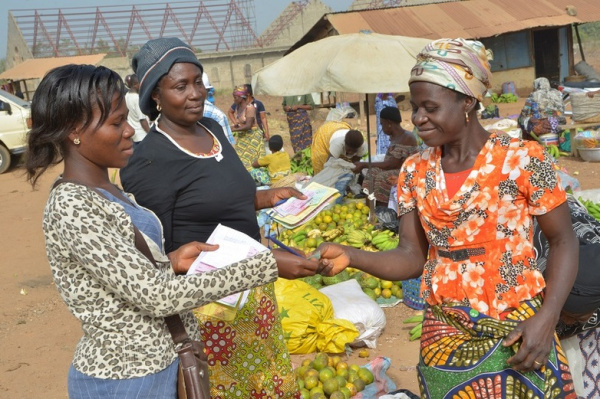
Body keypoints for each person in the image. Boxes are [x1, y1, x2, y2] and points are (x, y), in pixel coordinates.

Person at [24, 63, 321, 399]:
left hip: (159, 365)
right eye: (116, 123)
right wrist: (266, 265)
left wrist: (171, 261)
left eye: (127, 120)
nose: (129, 132)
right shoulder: (73, 205)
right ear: (74, 130)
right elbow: (155, 296)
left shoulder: (107, 191)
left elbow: (125, 277)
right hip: (127, 378)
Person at [316, 38, 579, 398]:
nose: (418, 117)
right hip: (445, 334)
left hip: (519, 326)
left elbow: (564, 240)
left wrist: (548, 317)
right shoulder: (414, 171)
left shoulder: (523, 159)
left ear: (467, 101)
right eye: (414, 107)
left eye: (430, 107)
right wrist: (353, 256)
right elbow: (411, 256)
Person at [120, 37, 314, 398]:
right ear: (155, 96)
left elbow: (224, 198)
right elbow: (153, 251)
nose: (195, 93)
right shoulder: (149, 160)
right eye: (180, 86)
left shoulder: (213, 133)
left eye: (198, 81)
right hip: (208, 307)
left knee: (267, 384)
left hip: (254, 292)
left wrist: (269, 197)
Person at [353, 106, 418, 206]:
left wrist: (364, 164)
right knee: (372, 172)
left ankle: (383, 210)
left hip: (406, 172)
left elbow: (391, 164)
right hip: (395, 168)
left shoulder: (406, 137)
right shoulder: (395, 137)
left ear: (389, 123)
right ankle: (369, 208)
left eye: (382, 124)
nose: (381, 127)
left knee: (382, 177)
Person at [518, 77, 567, 141]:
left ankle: (530, 142)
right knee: (551, 115)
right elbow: (559, 111)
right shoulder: (557, 94)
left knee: (522, 121)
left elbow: (525, 112)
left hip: (542, 127)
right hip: (559, 125)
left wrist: (520, 121)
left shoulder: (533, 95)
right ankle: (558, 138)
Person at [229, 85, 265, 171]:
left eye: (235, 97)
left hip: (253, 137)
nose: (234, 100)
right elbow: (232, 114)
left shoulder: (250, 108)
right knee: (240, 160)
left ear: (241, 98)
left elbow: (248, 125)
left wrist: (234, 129)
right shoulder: (238, 107)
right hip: (243, 137)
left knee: (252, 161)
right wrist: (236, 125)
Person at [124, 74, 151, 147]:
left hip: (134, 136)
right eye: (140, 83)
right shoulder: (137, 99)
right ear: (135, 84)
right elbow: (142, 120)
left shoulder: (127, 96)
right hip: (142, 136)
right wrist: (151, 134)